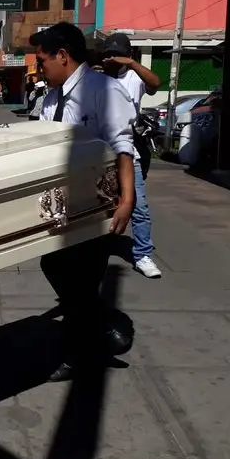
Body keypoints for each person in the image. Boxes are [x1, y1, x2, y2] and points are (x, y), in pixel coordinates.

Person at [31, 22, 136, 383]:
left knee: (82, 279)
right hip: (63, 204)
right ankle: (101, 324)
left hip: (98, 202)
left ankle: (79, 356)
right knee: (55, 266)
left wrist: (127, 200)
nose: (39, 68)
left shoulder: (103, 91)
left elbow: (123, 147)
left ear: (63, 55)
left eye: (43, 60)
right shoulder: (50, 97)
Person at [100, 32, 163, 279]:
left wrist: (132, 64)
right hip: (99, 152)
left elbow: (156, 83)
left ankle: (143, 254)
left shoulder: (134, 77)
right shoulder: (97, 79)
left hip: (128, 150)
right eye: (108, 55)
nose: (112, 59)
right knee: (99, 204)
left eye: (116, 54)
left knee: (139, 206)